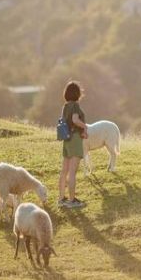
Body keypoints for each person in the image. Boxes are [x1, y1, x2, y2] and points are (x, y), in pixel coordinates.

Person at [58, 81, 88, 209]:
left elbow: (65, 121)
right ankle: (71, 200)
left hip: (66, 139)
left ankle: (61, 199)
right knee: (72, 172)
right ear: (77, 93)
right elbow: (75, 120)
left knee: (64, 171)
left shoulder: (65, 106)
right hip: (75, 138)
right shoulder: (75, 106)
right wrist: (85, 127)